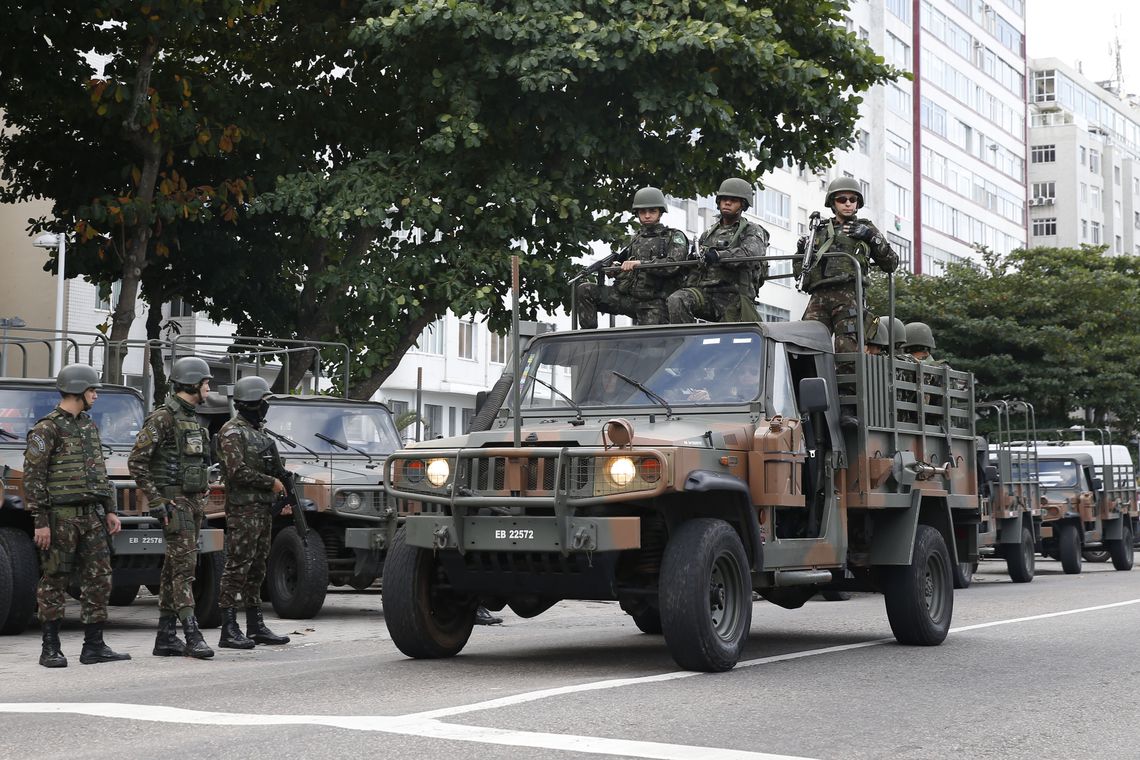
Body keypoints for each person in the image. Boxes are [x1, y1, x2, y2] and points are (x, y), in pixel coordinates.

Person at [24, 364, 130, 668]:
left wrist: (109, 510)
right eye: (92, 390)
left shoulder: (87, 425)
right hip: (61, 518)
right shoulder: (47, 429)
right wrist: (41, 522)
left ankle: (94, 646)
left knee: (99, 579)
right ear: (78, 390)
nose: (96, 395)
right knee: (55, 579)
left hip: (92, 517)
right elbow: (34, 478)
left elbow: (98, 471)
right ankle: (51, 648)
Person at [128, 355, 215, 659]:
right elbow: (137, 462)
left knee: (172, 570)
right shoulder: (163, 418)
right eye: (206, 381)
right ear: (192, 383)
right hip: (173, 504)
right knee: (184, 570)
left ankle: (165, 637)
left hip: (191, 504)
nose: (209, 386)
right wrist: (156, 500)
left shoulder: (192, 418)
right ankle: (191, 633)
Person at [215, 375, 292, 648]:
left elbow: (271, 468)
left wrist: (282, 489)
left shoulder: (259, 433)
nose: (266, 406)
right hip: (243, 510)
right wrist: (270, 483)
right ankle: (228, 627)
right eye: (263, 401)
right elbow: (236, 472)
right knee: (237, 566)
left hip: (262, 510)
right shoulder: (232, 432)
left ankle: (255, 625)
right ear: (251, 403)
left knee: (257, 568)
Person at [795, 177, 898, 352]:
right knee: (808, 346)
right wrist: (800, 251)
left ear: (858, 203)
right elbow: (800, 273)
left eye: (853, 199)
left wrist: (871, 237)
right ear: (833, 204)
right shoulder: (818, 232)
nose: (848, 203)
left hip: (849, 296)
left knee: (847, 349)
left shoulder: (865, 228)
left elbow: (891, 263)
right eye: (842, 199)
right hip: (819, 295)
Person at [577, 186, 689, 329]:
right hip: (627, 298)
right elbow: (626, 268)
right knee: (585, 290)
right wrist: (615, 269)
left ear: (660, 213)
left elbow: (673, 265)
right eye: (643, 211)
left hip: (654, 302)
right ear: (637, 213)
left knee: (650, 346)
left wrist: (640, 263)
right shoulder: (634, 239)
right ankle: (589, 339)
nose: (647, 215)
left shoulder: (674, 236)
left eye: (652, 211)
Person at [667, 178, 769, 323]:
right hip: (705, 294)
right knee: (677, 299)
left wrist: (718, 255)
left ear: (743, 205)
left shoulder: (753, 231)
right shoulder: (708, 233)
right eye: (724, 199)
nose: (727, 203)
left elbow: (750, 254)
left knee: (728, 341)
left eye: (733, 200)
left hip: (733, 298)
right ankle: (687, 342)